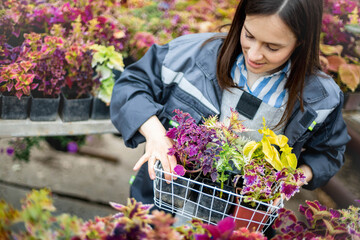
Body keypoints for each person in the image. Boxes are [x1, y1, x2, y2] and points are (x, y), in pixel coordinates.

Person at [110, 0, 350, 236]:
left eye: (272, 47)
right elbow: (130, 85)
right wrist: (154, 133)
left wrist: (293, 179)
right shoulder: (192, 55)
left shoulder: (320, 98)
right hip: (162, 204)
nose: (255, 54)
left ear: (301, 42)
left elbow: (329, 152)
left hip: (244, 222)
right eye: (249, 35)